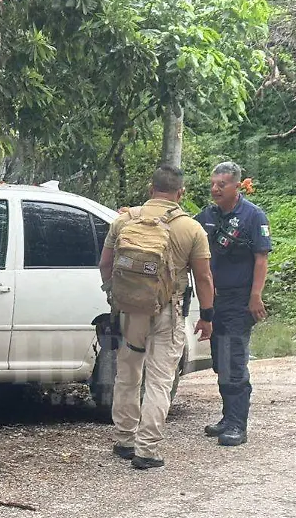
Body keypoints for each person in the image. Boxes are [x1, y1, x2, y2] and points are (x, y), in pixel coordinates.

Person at [99, 165, 215, 470]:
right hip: (169, 311)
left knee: (128, 373)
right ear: (181, 194)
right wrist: (207, 316)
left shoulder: (124, 220)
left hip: (130, 311)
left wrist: (115, 295)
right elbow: (203, 277)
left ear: (151, 189)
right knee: (160, 379)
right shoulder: (191, 229)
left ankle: (125, 439)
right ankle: (146, 450)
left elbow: (105, 264)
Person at [194, 161, 272, 447]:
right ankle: (228, 417)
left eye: (221, 185)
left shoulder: (253, 216)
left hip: (239, 299)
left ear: (236, 186)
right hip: (214, 299)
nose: (215, 189)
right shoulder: (208, 215)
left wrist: (255, 296)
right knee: (220, 360)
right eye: (213, 184)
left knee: (234, 361)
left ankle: (238, 425)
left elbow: (261, 259)